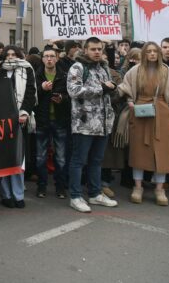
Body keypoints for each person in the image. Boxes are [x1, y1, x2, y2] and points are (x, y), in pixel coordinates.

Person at [118, 41, 169, 206]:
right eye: (149, 51)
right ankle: (138, 187)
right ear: (144, 53)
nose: (152, 54)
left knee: (162, 152)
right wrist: (131, 103)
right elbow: (125, 89)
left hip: (161, 113)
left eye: (155, 51)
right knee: (139, 151)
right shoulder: (135, 70)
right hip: (140, 112)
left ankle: (159, 189)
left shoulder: (165, 71)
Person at [66, 37, 119, 213]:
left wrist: (112, 89)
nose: (97, 52)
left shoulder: (103, 67)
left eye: (99, 49)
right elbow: (73, 91)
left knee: (96, 161)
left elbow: (107, 91)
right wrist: (101, 89)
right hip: (84, 123)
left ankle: (95, 194)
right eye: (93, 49)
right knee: (78, 161)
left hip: (103, 123)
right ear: (85, 49)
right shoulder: (78, 67)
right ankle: (75, 196)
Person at [0, 45, 36, 208]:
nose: (11, 57)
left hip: (20, 119)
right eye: (8, 55)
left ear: (19, 55)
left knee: (19, 157)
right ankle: (5, 194)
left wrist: (24, 112)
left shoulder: (27, 70)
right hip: (2, 120)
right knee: (4, 157)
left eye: (14, 54)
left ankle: (18, 195)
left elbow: (31, 92)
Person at [35, 46, 70, 199]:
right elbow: (31, 95)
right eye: (46, 56)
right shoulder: (36, 75)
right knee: (40, 157)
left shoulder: (64, 75)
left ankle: (60, 187)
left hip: (59, 120)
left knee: (61, 157)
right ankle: (41, 186)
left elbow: (71, 95)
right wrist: (41, 88)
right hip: (42, 121)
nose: (49, 59)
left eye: (52, 56)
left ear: (56, 59)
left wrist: (62, 98)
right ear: (42, 59)